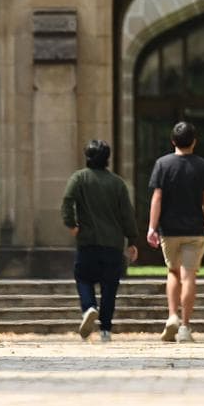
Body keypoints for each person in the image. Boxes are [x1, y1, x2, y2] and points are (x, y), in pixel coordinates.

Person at [62, 139, 139, 342]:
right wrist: (131, 240)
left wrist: (72, 224)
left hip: (88, 241)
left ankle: (88, 307)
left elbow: (67, 200)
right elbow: (127, 214)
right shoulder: (117, 183)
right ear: (107, 159)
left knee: (83, 278)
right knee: (109, 287)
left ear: (87, 157)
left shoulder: (79, 178)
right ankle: (105, 328)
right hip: (113, 244)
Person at [146, 121, 204, 344]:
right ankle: (185, 326)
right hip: (195, 228)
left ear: (173, 141)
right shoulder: (203, 166)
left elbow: (157, 198)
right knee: (189, 276)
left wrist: (151, 226)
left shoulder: (162, 164)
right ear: (194, 141)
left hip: (169, 229)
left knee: (173, 272)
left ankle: (172, 315)